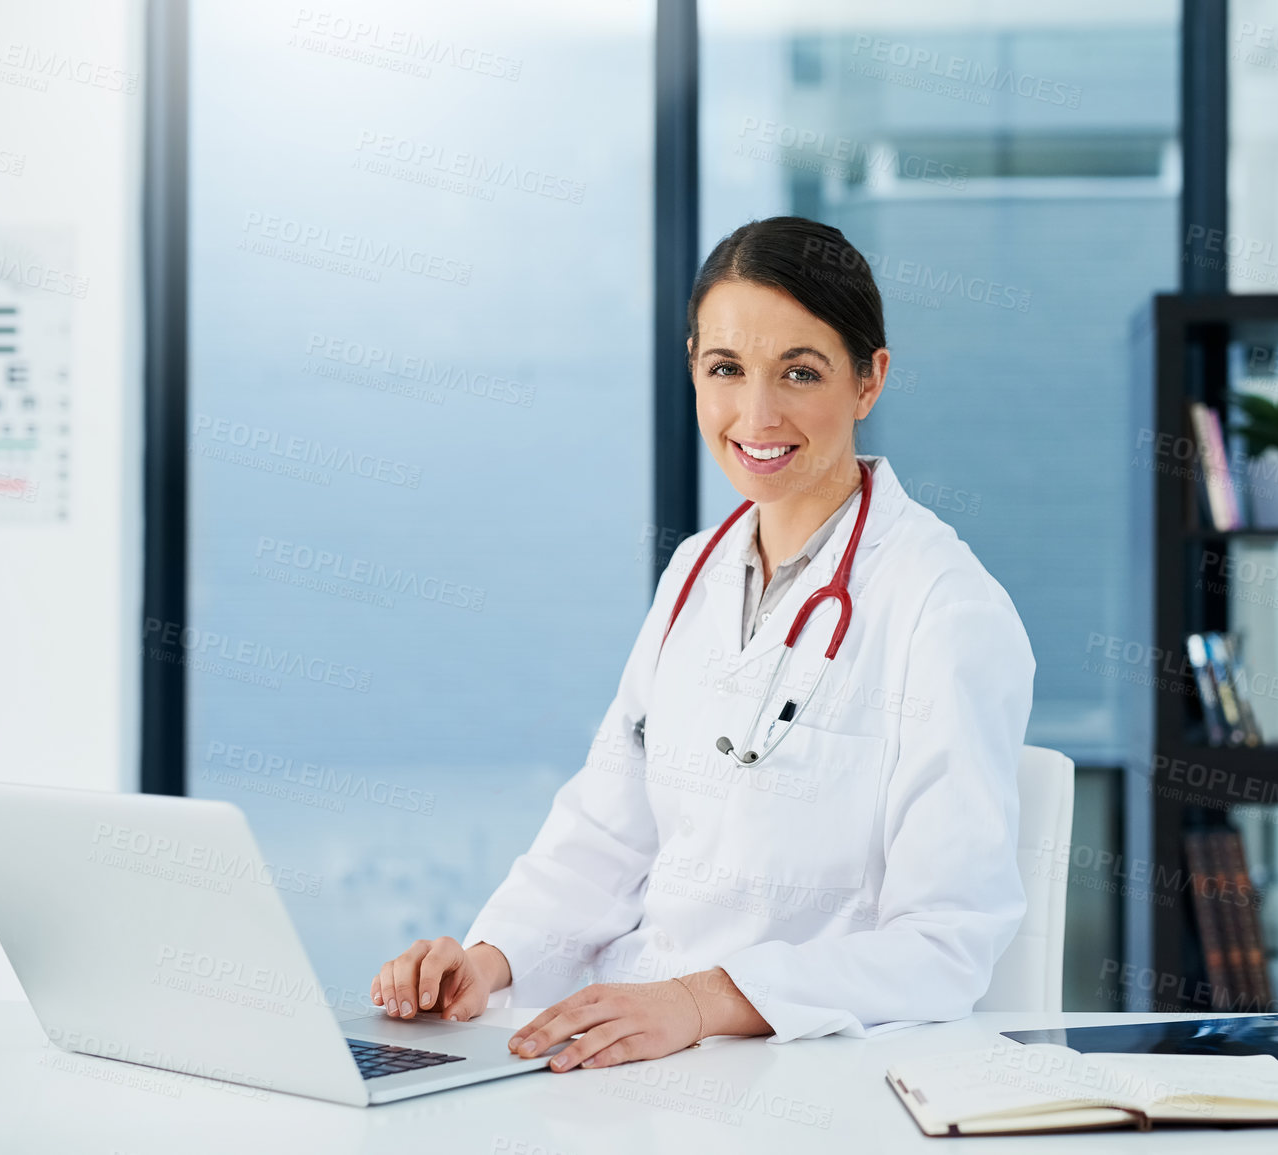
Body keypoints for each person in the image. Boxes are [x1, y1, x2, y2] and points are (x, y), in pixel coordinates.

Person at [370, 216, 1035, 1073]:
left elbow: (946, 943)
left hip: (800, 1070)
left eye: (801, 371)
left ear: (869, 381)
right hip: (631, 1047)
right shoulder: (697, 569)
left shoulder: (945, 608)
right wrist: (489, 960)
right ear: (692, 366)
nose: (756, 414)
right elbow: (607, 832)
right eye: (725, 370)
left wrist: (698, 1000)